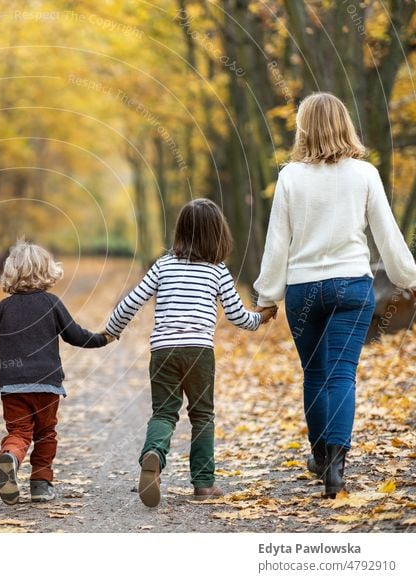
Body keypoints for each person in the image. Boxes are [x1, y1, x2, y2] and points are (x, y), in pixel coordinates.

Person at [254, 92, 416, 498]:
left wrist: (267, 296)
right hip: (352, 287)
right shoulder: (365, 174)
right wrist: (407, 276)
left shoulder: (290, 175)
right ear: (345, 124)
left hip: (304, 289)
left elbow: (278, 243)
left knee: (314, 373)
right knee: (341, 374)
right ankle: (336, 468)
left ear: (304, 128)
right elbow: (387, 233)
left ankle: (321, 455)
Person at [105, 199, 275, 508]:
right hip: (199, 352)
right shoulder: (218, 271)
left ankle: (153, 454)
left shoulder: (163, 265)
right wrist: (261, 317)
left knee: (164, 412)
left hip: (163, 351)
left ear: (181, 232)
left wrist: (112, 329)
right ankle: (203, 485)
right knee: (202, 416)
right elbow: (239, 317)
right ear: (218, 235)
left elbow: (132, 301)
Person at [0, 240, 112, 505]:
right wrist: (104, 338)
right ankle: (41, 484)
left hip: (13, 387)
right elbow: (76, 335)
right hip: (47, 387)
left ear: (10, 273)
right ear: (46, 271)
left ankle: (11, 456)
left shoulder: (3, 308)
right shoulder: (52, 303)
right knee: (46, 434)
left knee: (19, 432)